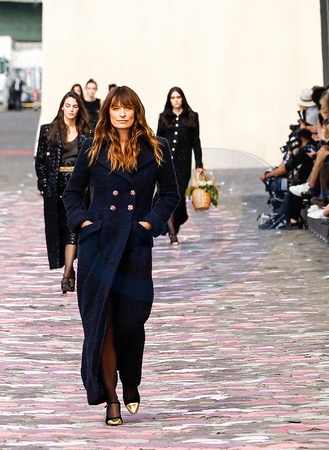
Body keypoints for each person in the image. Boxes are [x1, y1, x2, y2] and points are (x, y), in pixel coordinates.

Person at [62, 86, 179, 426]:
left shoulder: (157, 148)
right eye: (116, 108)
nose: (122, 114)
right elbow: (72, 194)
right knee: (103, 324)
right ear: (108, 112)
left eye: (128, 108)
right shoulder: (92, 147)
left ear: (136, 111)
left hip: (134, 246)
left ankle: (131, 380)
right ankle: (111, 399)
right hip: (98, 246)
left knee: (131, 322)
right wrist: (84, 223)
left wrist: (149, 224)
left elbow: (170, 194)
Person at [35, 91, 91, 294]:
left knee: (73, 226)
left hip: (78, 186)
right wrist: (43, 184)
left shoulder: (87, 132)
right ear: (62, 107)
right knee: (59, 227)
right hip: (56, 185)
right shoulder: (49, 131)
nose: (71, 110)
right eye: (68, 106)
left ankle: (67, 274)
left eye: (75, 106)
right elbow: (40, 161)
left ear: (79, 109)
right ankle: (69, 270)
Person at [157, 87, 203, 245]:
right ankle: (172, 233)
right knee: (168, 195)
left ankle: (175, 224)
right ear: (169, 100)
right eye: (173, 97)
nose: (176, 100)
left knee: (179, 197)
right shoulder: (164, 117)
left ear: (182, 98)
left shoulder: (192, 116)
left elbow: (196, 141)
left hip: (183, 163)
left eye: (178, 97)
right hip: (167, 163)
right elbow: (158, 141)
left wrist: (199, 163)